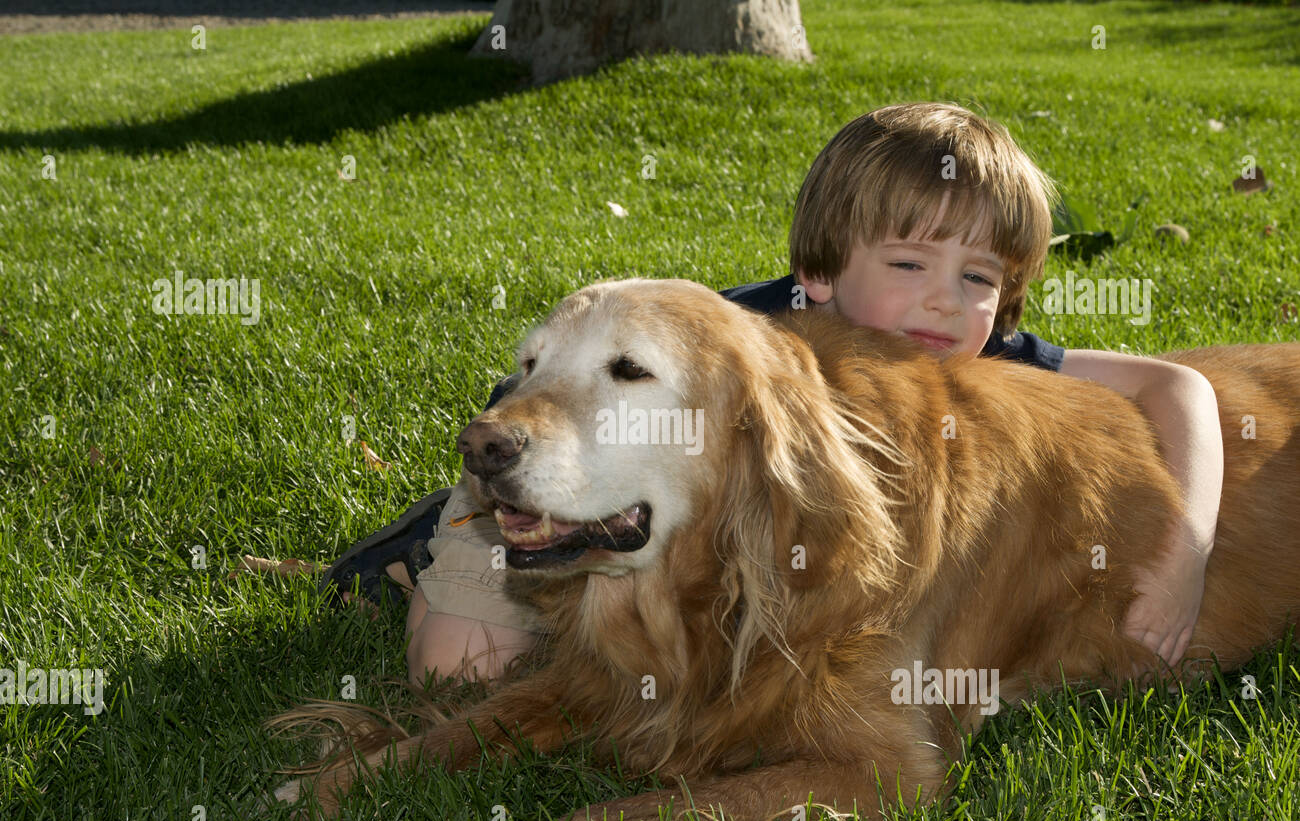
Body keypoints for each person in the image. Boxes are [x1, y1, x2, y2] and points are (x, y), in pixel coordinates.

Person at [321, 102, 1222, 686]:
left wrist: (1185, 550)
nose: (947, 300)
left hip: (638, 504)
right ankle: (421, 545)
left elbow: (1174, 384)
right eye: (909, 264)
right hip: (545, 456)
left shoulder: (984, 357)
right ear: (819, 275)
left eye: (980, 277)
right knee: (459, 669)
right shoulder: (745, 342)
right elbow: (550, 395)